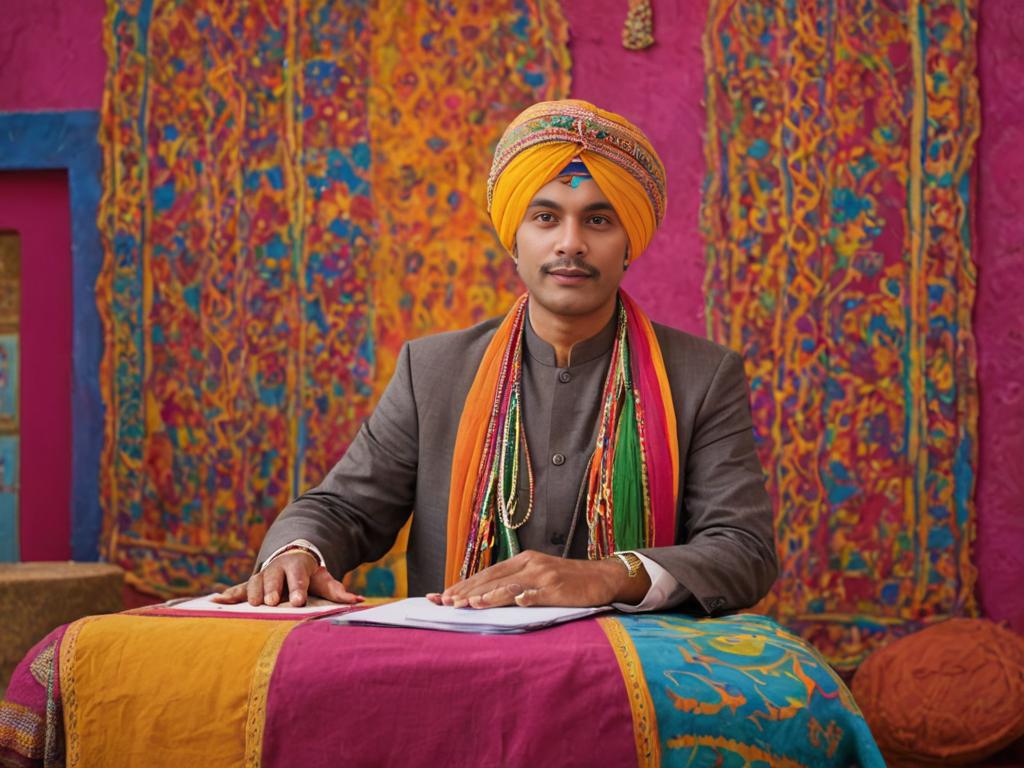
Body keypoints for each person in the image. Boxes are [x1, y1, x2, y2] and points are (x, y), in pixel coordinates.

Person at [214, 99, 777, 614]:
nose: (570, 243)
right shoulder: (433, 371)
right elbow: (344, 508)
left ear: (629, 242)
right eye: (546, 217)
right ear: (515, 238)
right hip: (459, 675)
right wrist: (297, 552)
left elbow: (743, 548)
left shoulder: (701, 377)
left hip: (633, 674)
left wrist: (609, 577)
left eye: (598, 220)